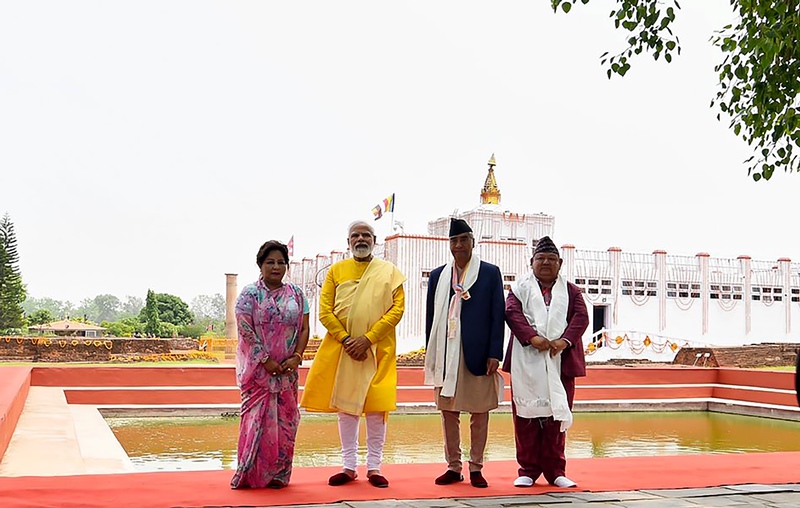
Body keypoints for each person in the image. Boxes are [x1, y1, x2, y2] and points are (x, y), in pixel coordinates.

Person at [300, 220, 406, 488]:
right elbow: (325, 311)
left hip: (378, 349)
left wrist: (368, 338)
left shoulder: (389, 271)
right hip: (344, 349)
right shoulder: (336, 271)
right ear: (348, 242)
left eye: (366, 235)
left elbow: (397, 310)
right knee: (346, 409)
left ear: (374, 240)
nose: (361, 239)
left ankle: (374, 467)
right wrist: (348, 339)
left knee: (376, 408)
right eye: (355, 235)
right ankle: (348, 466)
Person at [502, 236, 589, 489]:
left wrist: (564, 341)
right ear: (532, 262)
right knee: (526, 417)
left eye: (552, 259)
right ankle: (527, 470)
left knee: (556, 416)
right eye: (541, 258)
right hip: (526, 360)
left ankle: (555, 471)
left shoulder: (571, 291)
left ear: (560, 263)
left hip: (560, 360)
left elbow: (581, 318)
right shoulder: (519, 289)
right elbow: (511, 313)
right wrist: (533, 338)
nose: (546, 263)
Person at [424, 218, 505, 488]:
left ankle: (476, 467)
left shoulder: (490, 273)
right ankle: (453, 466)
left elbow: (497, 315)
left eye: (463, 240)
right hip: (446, 351)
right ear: (449, 244)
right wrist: (432, 354)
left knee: (480, 412)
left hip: (479, 353)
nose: (458, 245)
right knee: (448, 411)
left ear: (473, 242)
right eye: (454, 241)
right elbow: (430, 319)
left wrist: (495, 352)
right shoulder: (438, 276)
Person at [231, 240, 310, 489]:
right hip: (258, 373)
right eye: (270, 262)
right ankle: (249, 473)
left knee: (286, 421)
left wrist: (297, 356)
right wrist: (266, 360)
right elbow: (245, 329)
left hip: (287, 371)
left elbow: (305, 327)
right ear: (260, 265)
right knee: (256, 422)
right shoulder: (249, 294)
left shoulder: (297, 294)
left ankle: (279, 475)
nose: (276, 267)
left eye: (281, 262)